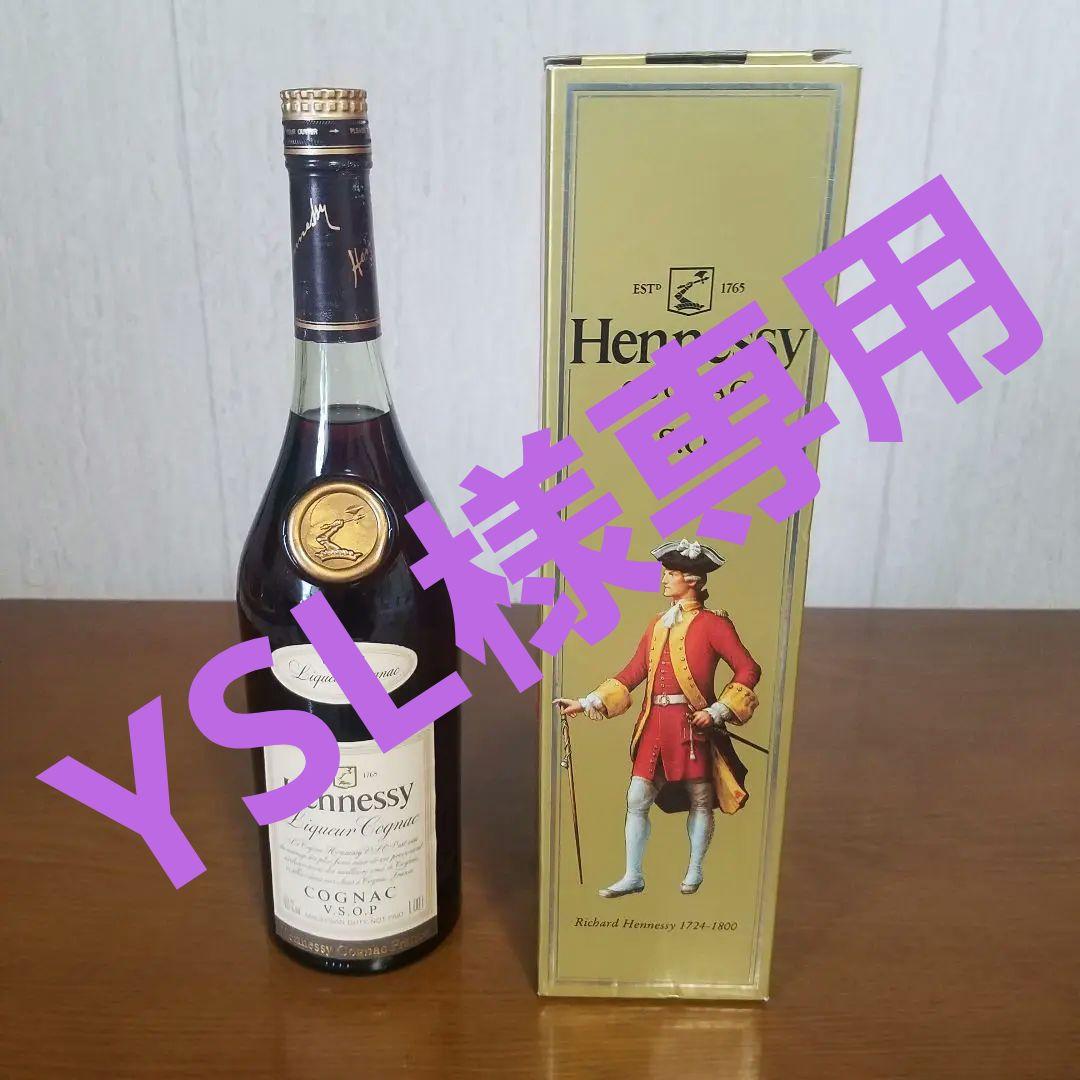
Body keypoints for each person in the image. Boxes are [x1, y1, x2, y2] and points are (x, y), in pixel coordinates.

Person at [554, 539, 762, 896]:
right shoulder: (657, 624)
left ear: (692, 580)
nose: (664, 579)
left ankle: (694, 870)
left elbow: (748, 669)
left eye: (671, 574)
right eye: (665, 573)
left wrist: (717, 711)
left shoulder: (714, 625)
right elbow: (634, 671)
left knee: (701, 798)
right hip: (654, 725)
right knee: (636, 798)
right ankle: (633, 875)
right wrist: (587, 702)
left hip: (691, 726)